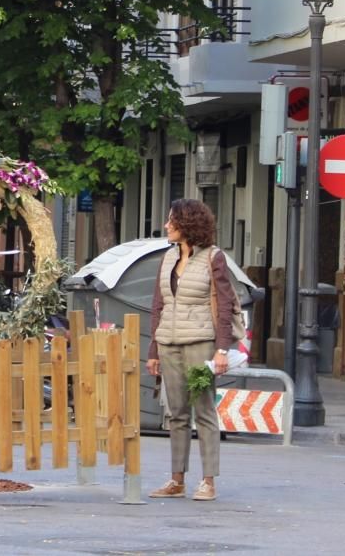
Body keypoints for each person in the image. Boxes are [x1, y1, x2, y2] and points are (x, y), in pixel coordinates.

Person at [146, 198, 236, 502]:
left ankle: (208, 481)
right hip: (169, 344)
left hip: (201, 343)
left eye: (172, 220)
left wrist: (222, 349)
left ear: (188, 224)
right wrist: (153, 351)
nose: (167, 225)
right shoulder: (167, 259)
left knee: (204, 411)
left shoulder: (214, 258)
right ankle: (177, 480)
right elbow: (158, 306)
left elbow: (225, 306)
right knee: (177, 413)